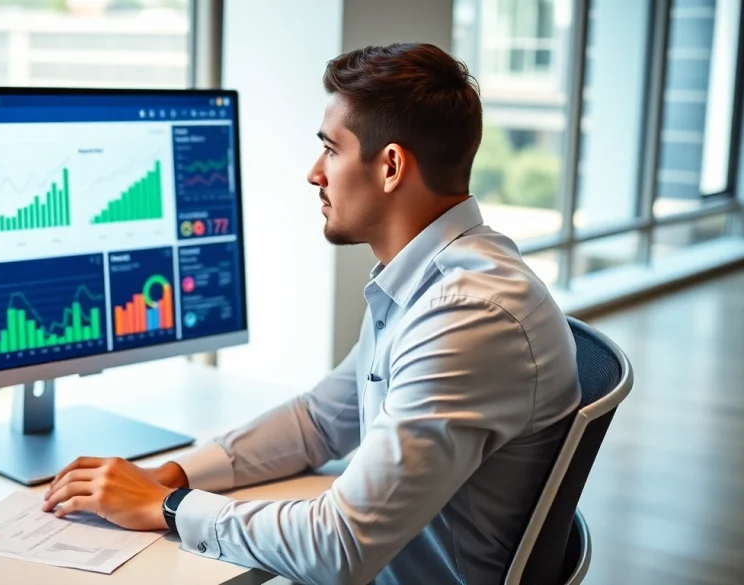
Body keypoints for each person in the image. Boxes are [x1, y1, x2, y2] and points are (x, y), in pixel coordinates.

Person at [42, 42, 580, 585]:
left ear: (391, 166)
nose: (314, 173)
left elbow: (340, 546)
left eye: (331, 149)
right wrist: (168, 474)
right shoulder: (432, 279)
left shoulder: (466, 315)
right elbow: (322, 421)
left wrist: (170, 507)